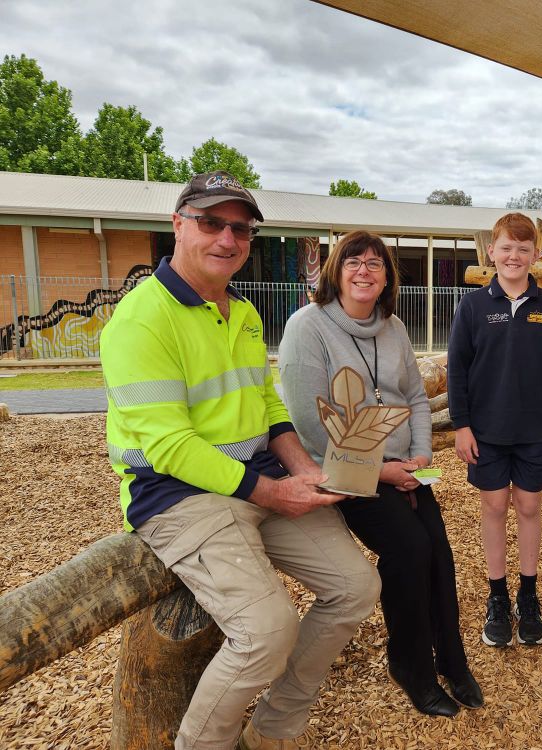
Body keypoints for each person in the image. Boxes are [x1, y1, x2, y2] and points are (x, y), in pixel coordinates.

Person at [100, 171, 380, 750]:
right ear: (177, 225)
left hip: (257, 477)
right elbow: (169, 447)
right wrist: (275, 493)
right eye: (211, 222)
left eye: (241, 228)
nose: (228, 238)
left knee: (356, 586)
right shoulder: (139, 320)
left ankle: (271, 733)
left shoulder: (244, 312)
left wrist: (303, 469)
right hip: (175, 493)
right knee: (266, 631)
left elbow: (268, 407)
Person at [278, 230, 482, 718]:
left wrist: (417, 458)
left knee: (438, 548)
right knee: (408, 549)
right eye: (354, 262)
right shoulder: (308, 328)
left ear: (388, 276)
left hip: (401, 466)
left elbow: (413, 396)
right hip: (341, 469)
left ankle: (451, 659)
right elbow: (309, 423)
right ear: (337, 272)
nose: (365, 270)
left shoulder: (391, 327)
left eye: (375, 263)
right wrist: (383, 472)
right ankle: (411, 666)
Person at [447, 212, 542, 648]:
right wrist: (462, 426)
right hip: (487, 431)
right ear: (491, 253)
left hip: (535, 432)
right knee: (495, 507)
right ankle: (497, 596)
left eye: (523, 248)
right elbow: (457, 370)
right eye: (506, 247)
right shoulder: (473, 305)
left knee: (530, 508)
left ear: (535, 255)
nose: (514, 255)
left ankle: (528, 594)